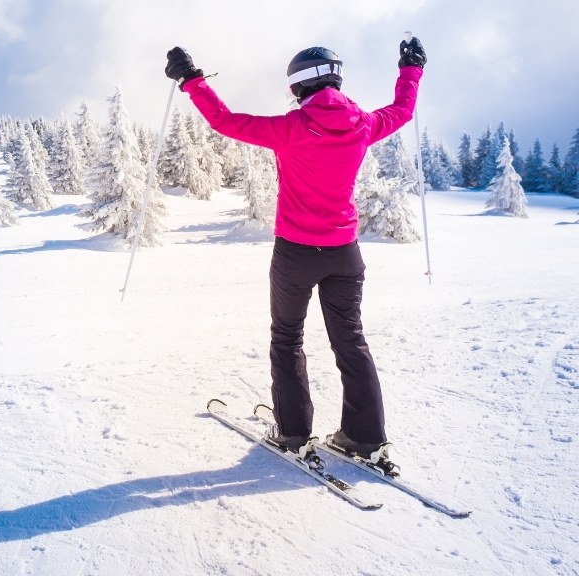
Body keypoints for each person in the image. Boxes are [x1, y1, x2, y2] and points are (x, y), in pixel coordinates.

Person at [165, 38, 426, 461]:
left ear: (299, 87)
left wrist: (191, 80)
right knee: (351, 340)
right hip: (345, 253)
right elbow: (403, 110)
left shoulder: (289, 129)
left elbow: (225, 121)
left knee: (287, 338)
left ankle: (293, 434)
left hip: (296, 254)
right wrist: (411, 69)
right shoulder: (362, 124)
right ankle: (365, 438)